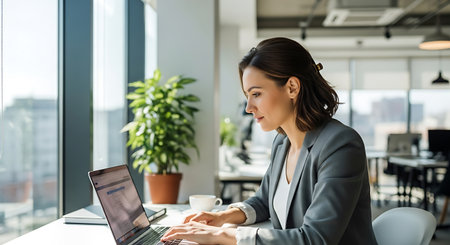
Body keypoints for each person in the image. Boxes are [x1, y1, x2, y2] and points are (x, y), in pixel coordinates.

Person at [161, 37, 378, 245]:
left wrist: (225, 235)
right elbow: (264, 201)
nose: (248, 107)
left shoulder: (340, 145)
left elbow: (316, 238)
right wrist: (222, 217)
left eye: (256, 94)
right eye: (247, 95)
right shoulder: (282, 143)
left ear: (292, 87)